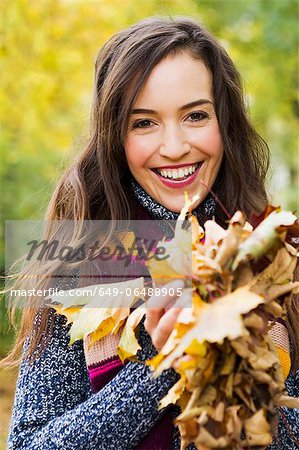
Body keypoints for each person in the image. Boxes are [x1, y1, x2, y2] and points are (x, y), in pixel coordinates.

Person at [4, 16, 298, 450]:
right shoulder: (80, 263)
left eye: (196, 115)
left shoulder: (278, 256)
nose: (175, 146)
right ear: (115, 138)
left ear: (226, 122)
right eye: (144, 122)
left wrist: (235, 366)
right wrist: (159, 364)